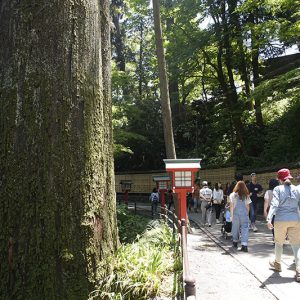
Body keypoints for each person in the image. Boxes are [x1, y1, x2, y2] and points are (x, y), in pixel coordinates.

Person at [266, 168, 300, 282]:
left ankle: (277, 264)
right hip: (295, 219)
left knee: (279, 243)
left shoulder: (277, 189)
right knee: (296, 245)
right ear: (289, 177)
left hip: (280, 219)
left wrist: (269, 218)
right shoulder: (297, 189)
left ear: (279, 179)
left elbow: (274, 204)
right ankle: (299, 270)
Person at [229, 181, 251, 252]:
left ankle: (235, 242)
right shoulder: (246, 195)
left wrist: (231, 216)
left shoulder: (232, 195)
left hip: (235, 214)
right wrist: (247, 214)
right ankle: (244, 245)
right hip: (244, 215)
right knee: (245, 229)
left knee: (235, 229)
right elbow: (248, 207)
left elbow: (231, 206)